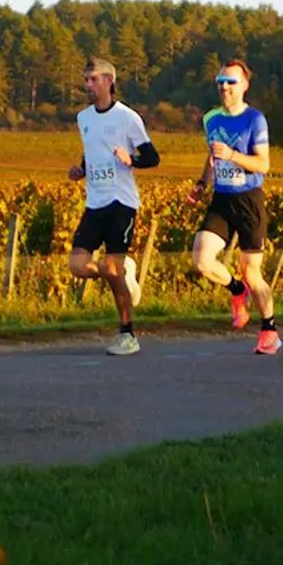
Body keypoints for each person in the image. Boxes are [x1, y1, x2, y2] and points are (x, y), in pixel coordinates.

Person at [188, 60, 282, 355]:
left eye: (231, 82)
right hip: (221, 198)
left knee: (251, 271)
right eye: (220, 81)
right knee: (201, 261)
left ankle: (269, 329)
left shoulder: (255, 119)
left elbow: (262, 164)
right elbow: (212, 156)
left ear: (244, 85)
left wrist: (232, 154)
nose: (224, 87)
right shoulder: (211, 119)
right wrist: (202, 184)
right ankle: (236, 290)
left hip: (248, 200)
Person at [67, 58, 160, 356]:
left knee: (112, 266)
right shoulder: (84, 118)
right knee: (78, 266)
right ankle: (122, 271)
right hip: (94, 202)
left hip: (121, 202)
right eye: (86, 80)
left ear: (109, 81)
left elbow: (152, 157)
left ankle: (127, 334)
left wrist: (131, 160)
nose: (88, 85)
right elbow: (92, 151)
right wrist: (81, 170)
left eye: (94, 79)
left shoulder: (128, 117)